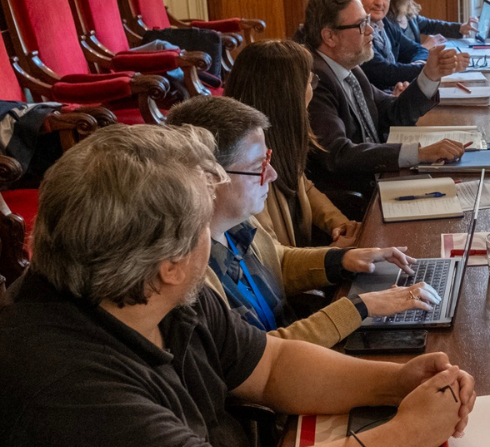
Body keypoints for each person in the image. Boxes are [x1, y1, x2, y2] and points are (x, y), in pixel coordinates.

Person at [0, 123, 475, 447]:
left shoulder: (152, 290)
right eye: (203, 227)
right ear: (170, 263)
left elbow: (272, 366)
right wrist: (406, 434)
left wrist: (396, 383)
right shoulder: (58, 379)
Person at [166, 95, 437, 348]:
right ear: (210, 178)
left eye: (267, 160)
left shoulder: (236, 222)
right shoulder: (190, 277)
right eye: (257, 166)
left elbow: (277, 261)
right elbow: (261, 357)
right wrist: (360, 307)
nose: (271, 174)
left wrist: (342, 259)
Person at [303, 0, 468, 217]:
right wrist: (418, 154)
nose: (371, 30)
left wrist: (429, 76)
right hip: (357, 201)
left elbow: (392, 113)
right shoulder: (315, 81)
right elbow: (338, 155)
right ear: (329, 36)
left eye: (368, 21)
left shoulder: (350, 70)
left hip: (382, 182)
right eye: (361, 25)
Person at [225, 40, 359, 249]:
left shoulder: (281, 137)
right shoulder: (247, 165)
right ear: (286, 95)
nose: (312, 90)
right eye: (309, 82)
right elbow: (272, 258)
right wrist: (335, 256)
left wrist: (339, 223)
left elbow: (303, 186)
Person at [351, 0, 425, 92]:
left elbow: (417, 49)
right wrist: (428, 69)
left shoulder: (384, 24)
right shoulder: (353, 30)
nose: (379, 2)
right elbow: (385, 73)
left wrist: (418, 64)